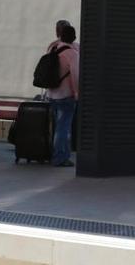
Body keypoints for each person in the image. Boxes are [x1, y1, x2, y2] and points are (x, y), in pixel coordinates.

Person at [45, 24, 79, 167]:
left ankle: (54, 154)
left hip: (51, 93)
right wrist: (77, 93)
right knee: (63, 128)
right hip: (66, 95)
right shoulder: (72, 53)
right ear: (74, 37)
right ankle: (60, 158)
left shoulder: (53, 48)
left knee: (56, 127)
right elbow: (76, 76)